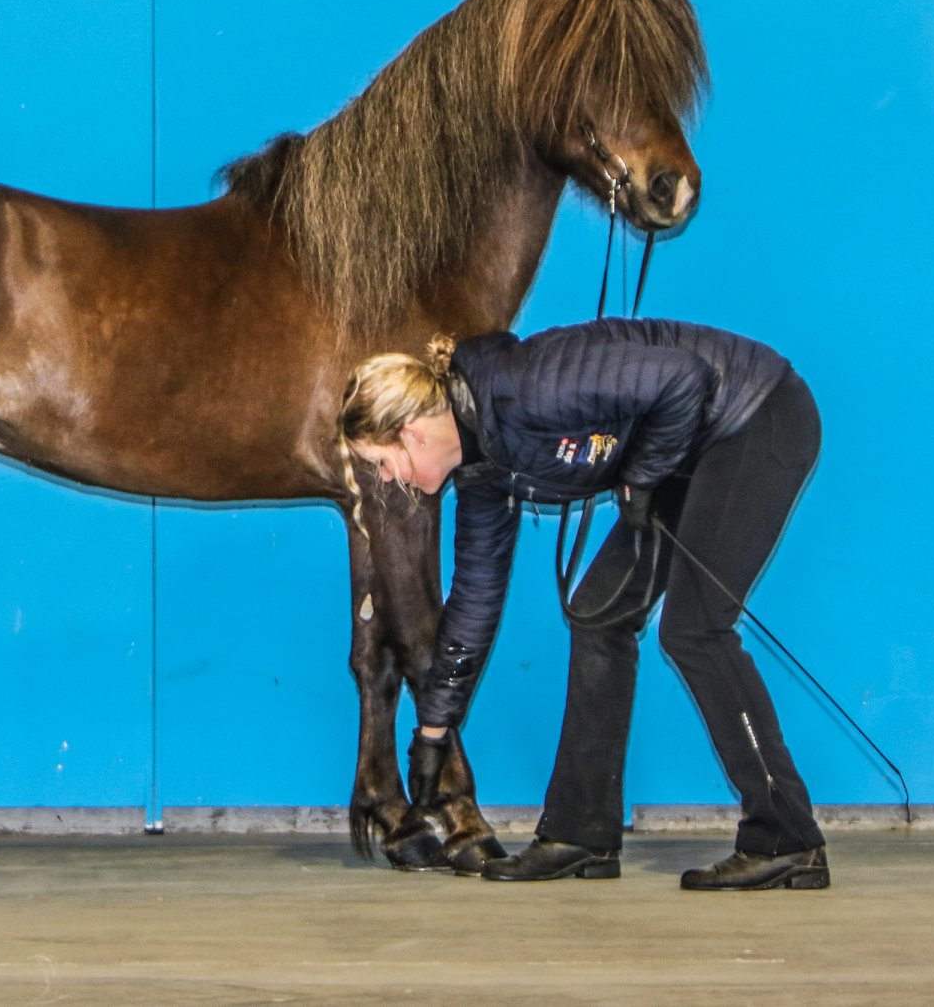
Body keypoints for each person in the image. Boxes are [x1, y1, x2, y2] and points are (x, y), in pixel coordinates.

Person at [337, 317, 829, 891]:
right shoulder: (483, 469)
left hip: (755, 418)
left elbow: (684, 379)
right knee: (598, 615)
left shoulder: (527, 386)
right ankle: (581, 834)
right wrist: (432, 732)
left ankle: (787, 838)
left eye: (379, 461)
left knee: (695, 631)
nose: (385, 476)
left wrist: (642, 478)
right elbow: (474, 600)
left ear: (412, 432)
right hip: (684, 446)